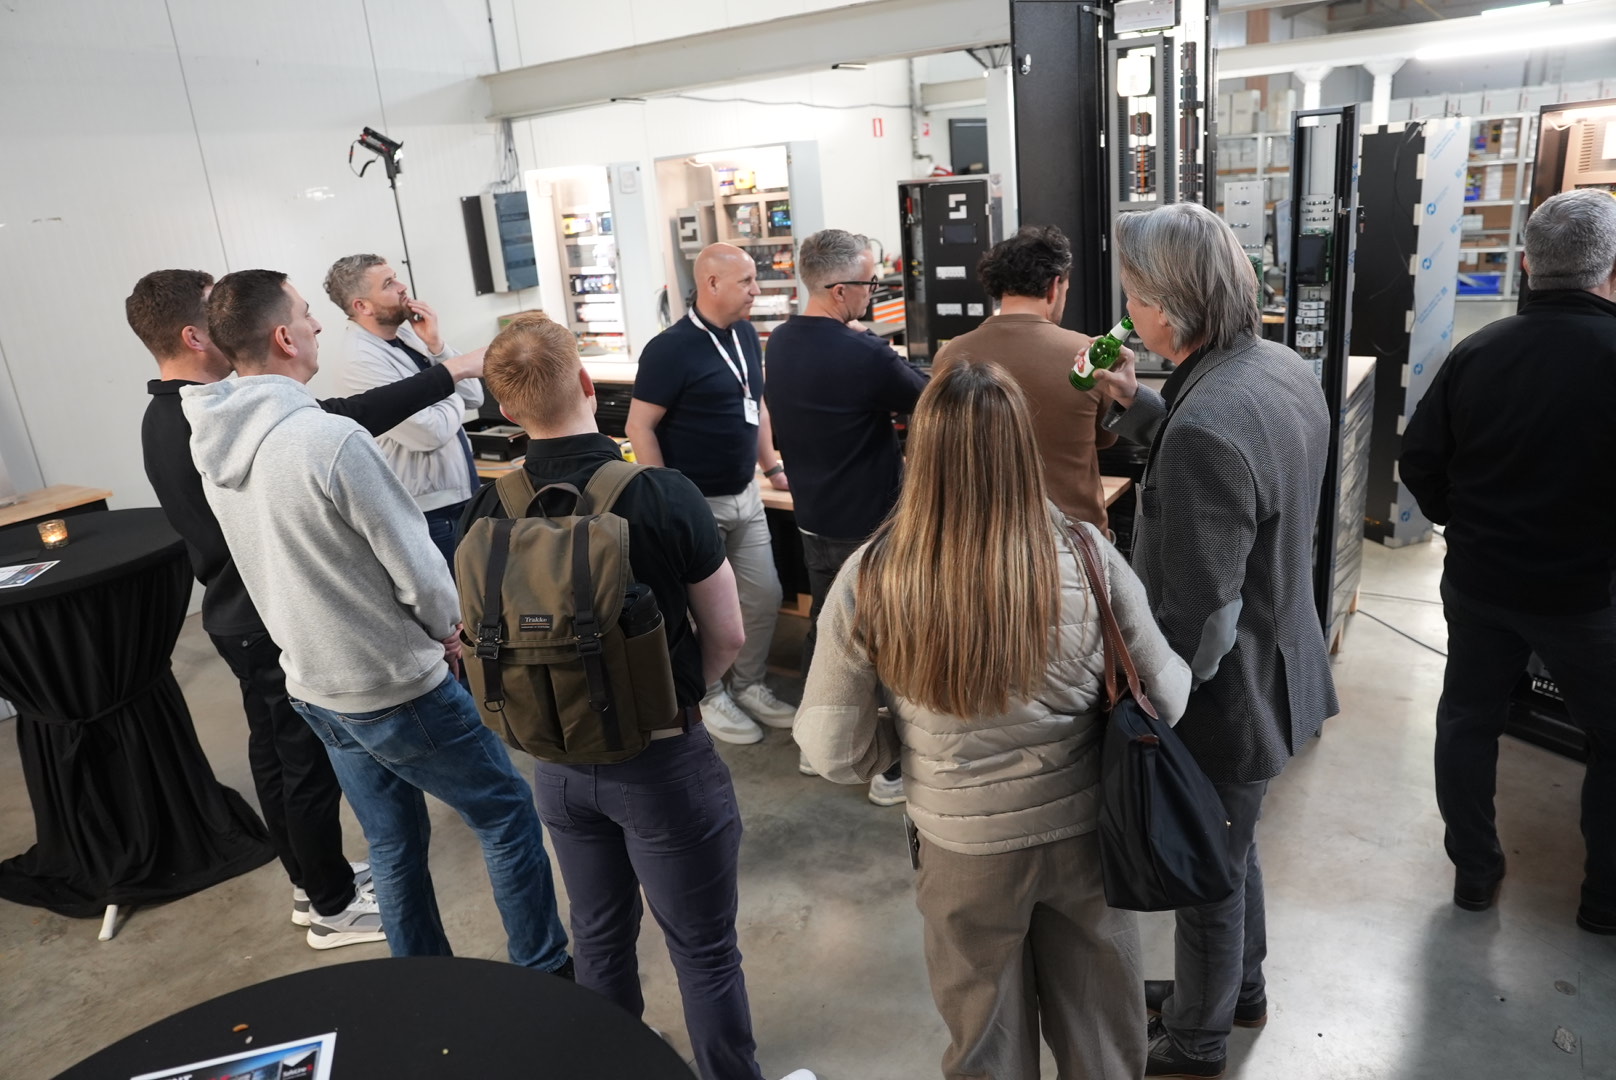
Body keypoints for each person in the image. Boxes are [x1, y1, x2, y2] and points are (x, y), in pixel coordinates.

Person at [795, 359, 1191, 1080]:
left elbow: (830, 745)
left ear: (920, 452)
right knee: (1104, 1040)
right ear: (1022, 447)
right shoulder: (1085, 553)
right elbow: (1168, 694)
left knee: (984, 1045)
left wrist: (902, 744)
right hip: (1087, 841)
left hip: (959, 850)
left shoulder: (874, 574)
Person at [182, 270, 570, 975]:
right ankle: (547, 980)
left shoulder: (216, 442)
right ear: (283, 335)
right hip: (392, 684)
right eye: (307, 313)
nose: (318, 324)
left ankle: (420, 991)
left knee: (392, 846)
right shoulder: (328, 442)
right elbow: (420, 569)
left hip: (317, 686)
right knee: (509, 815)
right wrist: (449, 626)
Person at [460, 314, 814, 1080]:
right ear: (587, 383)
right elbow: (726, 633)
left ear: (508, 411)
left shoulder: (488, 508)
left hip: (553, 762)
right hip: (661, 761)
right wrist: (680, 699)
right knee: (704, 949)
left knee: (598, 938)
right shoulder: (660, 494)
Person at [131, 268, 481, 949]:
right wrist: (452, 371)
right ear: (197, 334)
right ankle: (328, 902)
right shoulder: (197, 420)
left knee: (281, 754)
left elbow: (335, 421)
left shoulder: (193, 412)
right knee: (303, 764)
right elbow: (335, 431)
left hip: (245, 618)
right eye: (219, 313)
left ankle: (310, 875)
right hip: (264, 616)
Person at [1087, 202, 1337, 1078]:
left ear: (1163, 305)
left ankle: (1196, 1040)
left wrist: (1150, 706)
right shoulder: (1273, 366)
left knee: (1207, 872)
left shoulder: (1206, 427)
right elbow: (1234, 469)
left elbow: (1200, 618)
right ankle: (1241, 990)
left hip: (1230, 691)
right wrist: (1137, 407)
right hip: (1286, 658)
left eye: (1130, 297)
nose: (1126, 314)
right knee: (1235, 838)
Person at [1400, 188, 1616, 935]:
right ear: (1610, 269)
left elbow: (1418, 458)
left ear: (1527, 263)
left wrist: (1462, 522)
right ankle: (1604, 902)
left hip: (1479, 580)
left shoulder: (1477, 352)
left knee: (1468, 720)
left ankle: (1475, 873)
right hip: (1585, 596)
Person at [763, 228, 927, 805]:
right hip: (871, 524)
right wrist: (877, 350)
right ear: (837, 290)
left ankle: (817, 744)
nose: (873, 294)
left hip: (813, 516)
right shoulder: (863, 354)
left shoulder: (779, 342)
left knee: (827, 627)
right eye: (869, 284)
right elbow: (928, 396)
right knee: (888, 638)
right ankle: (886, 771)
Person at [625, 243, 797, 744]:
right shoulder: (670, 349)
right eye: (746, 281)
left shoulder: (745, 334)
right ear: (712, 283)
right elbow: (640, 427)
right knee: (701, 611)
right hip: (695, 505)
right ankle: (708, 693)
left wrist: (773, 466)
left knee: (764, 597)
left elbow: (756, 403)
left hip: (746, 494)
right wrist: (664, 497)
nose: (757, 291)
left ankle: (750, 684)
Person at [932, 224, 1118, 529]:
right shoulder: (1087, 355)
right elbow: (1105, 438)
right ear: (1054, 286)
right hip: (1073, 540)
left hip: (981, 539)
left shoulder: (950, 355)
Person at [324, 254, 486, 566]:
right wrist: (451, 375)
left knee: (479, 602)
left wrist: (438, 347)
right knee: (456, 609)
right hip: (430, 513)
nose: (402, 287)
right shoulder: (359, 360)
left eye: (396, 277)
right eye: (388, 284)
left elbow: (474, 396)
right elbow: (430, 432)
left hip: (462, 494)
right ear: (362, 306)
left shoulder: (410, 334)